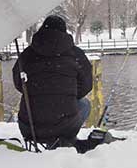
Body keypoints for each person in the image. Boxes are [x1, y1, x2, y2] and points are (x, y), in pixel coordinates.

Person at [12, 15, 92, 146]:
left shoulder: (27, 54)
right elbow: (86, 86)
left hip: (30, 127)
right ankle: (65, 141)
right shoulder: (76, 54)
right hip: (65, 127)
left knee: (30, 103)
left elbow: (19, 83)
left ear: (42, 29)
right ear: (64, 32)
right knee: (85, 104)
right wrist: (67, 93)